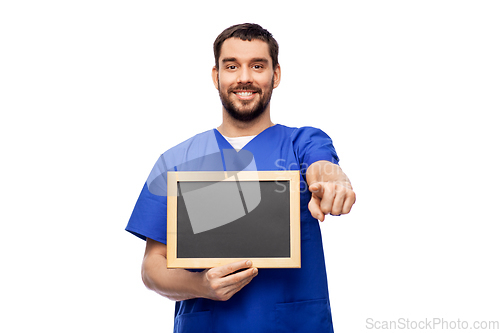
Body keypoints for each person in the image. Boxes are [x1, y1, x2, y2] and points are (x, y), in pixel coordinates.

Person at [126, 23, 356, 332]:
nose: (244, 77)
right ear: (216, 76)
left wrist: (333, 181)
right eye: (232, 66)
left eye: (257, 66)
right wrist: (201, 285)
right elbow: (152, 267)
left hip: (293, 324)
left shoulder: (302, 143)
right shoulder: (177, 161)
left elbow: (323, 167)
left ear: (275, 75)